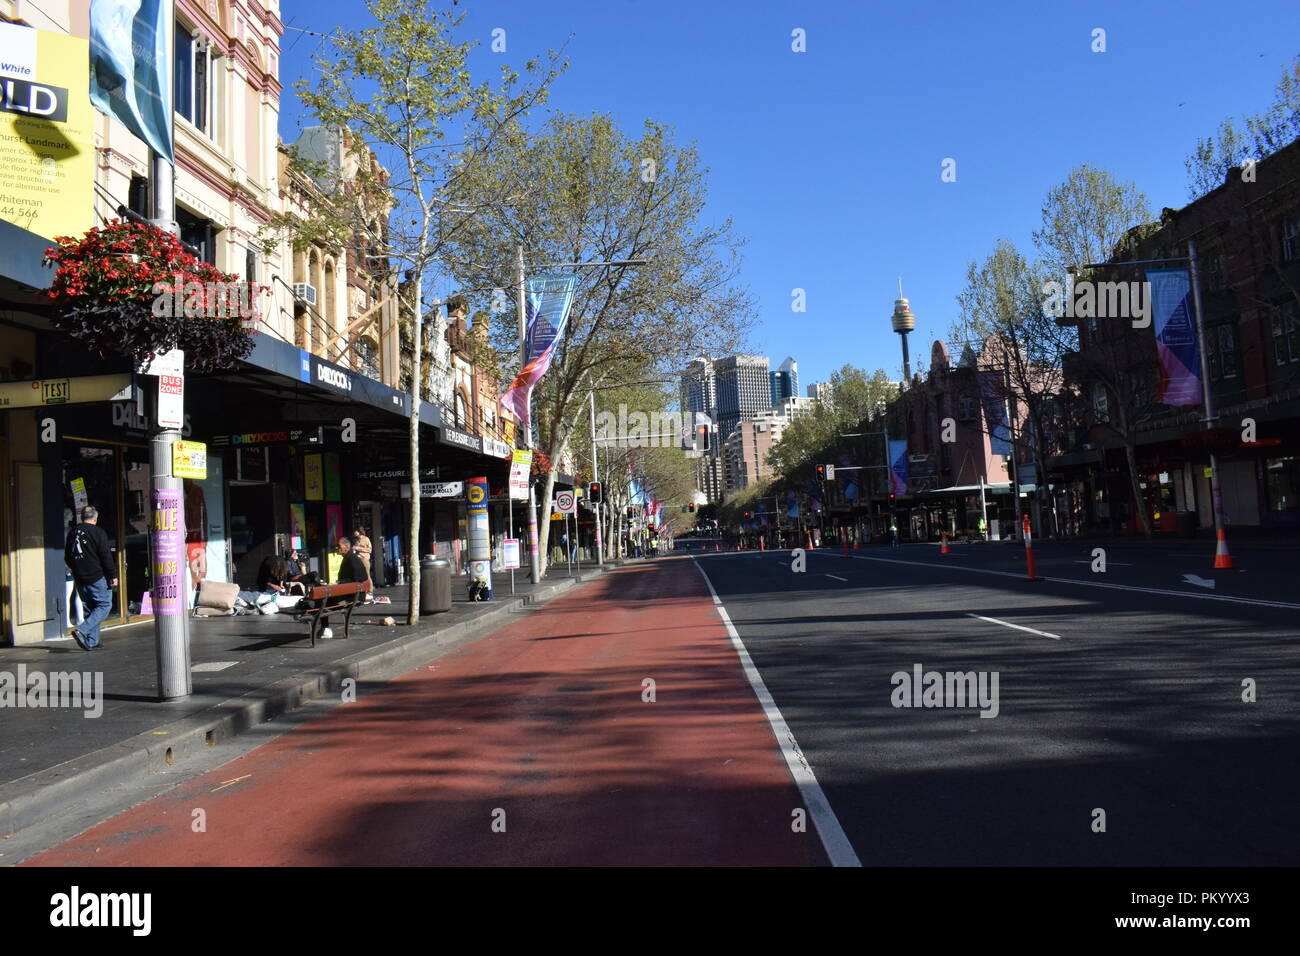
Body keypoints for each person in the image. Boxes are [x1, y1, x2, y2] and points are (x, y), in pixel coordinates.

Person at [64, 505, 116, 651]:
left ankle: (92, 641)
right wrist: (113, 575)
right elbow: (105, 556)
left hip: (79, 577)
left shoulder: (73, 532)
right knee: (105, 605)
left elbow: (68, 556)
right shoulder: (98, 532)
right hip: (96, 576)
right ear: (95, 517)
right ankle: (82, 630)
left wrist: (76, 569)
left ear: (82, 517)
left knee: (90, 607)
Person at [316, 537, 371, 638]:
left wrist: (339, 583)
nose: (337, 548)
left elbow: (360, 577)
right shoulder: (349, 558)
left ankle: (325, 630)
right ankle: (324, 629)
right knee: (323, 600)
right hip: (354, 595)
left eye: (339, 546)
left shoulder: (352, 559)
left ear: (346, 547)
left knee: (322, 602)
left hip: (352, 598)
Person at [351, 527, 373, 597]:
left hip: (364, 559)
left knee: (367, 575)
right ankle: (364, 591)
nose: (354, 533)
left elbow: (370, 550)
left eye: (355, 531)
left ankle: (370, 591)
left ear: (359, 531)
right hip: (358, 559)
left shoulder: (366, 539)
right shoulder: (356, 540)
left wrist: (358, 548)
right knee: (360, 576)